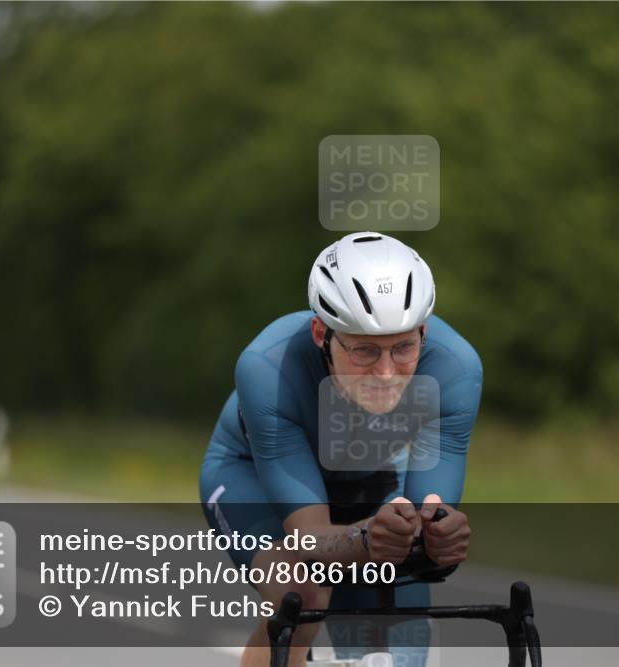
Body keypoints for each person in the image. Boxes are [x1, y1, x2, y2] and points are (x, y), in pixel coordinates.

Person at [199, 232, 483, 667]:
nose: (386, 373)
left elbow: (430, 515)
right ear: (321, 333)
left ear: (424, 333)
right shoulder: (267, 369)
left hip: (371, 477)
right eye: (365, 351)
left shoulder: (455, 369)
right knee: (303, 596)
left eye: (404, 347)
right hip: (248, 474)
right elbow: (311, 540)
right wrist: (368, 539)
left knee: (400, 645)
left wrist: (437, 540)